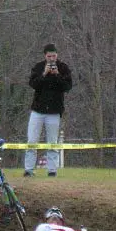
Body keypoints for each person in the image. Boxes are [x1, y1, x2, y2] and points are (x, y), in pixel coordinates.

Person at [24, 43, 72, 178]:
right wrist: (44, 74)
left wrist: (57, 75)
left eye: (54, 56)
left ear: (57, 55)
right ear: (45, 56)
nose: (52, 58)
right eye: (49, 56)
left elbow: (67, 86)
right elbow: (33, 84)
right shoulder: (38, 67)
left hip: (54, 111)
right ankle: (29, 169)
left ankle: (52, 170)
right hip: (37, 110)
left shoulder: (63, 68)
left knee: (52, 142)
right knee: (32, 140)